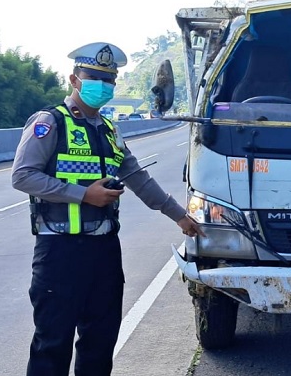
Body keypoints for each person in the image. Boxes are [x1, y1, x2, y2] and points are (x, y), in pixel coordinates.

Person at [11, 42, 205, 376]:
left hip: (103, 252)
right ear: (74, 79)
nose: (102, 86)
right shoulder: (50, 123)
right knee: (51, 345)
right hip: (59, 251)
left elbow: (138, 178)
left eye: (108, 80)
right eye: (93, 77)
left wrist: (180, 216)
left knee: (100, 343)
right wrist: (83, 195)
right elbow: (23, 176)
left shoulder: (110, 131)